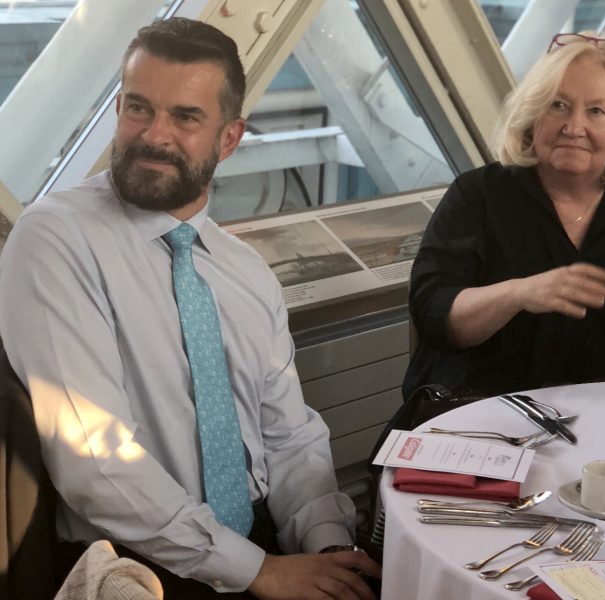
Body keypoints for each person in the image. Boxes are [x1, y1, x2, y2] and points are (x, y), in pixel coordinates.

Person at [0, 18, 380, 600]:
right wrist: (260, 572)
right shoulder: (55, 239)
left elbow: (288, 436)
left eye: (185, 117)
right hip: (134, 567)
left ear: (229, 139)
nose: (154, 135)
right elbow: (96, 464)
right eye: (138, 108)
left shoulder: (244, 271)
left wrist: (327, 546)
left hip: (260, 540)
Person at [403, 32, 605, 399]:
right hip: (481, 419)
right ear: (531, 117)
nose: (574, 127)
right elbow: (432, 316)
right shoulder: (477, 195)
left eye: (596, 111)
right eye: (557, 105)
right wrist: (518, 293)